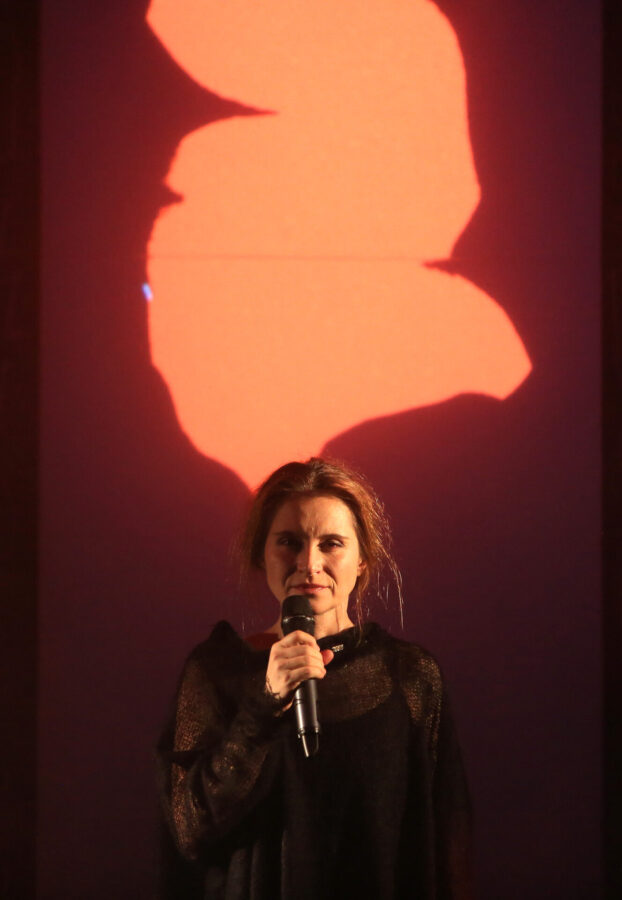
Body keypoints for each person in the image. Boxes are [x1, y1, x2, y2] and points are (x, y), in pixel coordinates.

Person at [156, 458, 473, 899]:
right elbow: (189, 828)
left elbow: (448, 837)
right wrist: (264, 705)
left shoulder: (409, 676)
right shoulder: (218, 670)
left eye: (332, 544)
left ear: (362, 559)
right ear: (261, 554)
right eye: (289, 542)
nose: (309, 563)